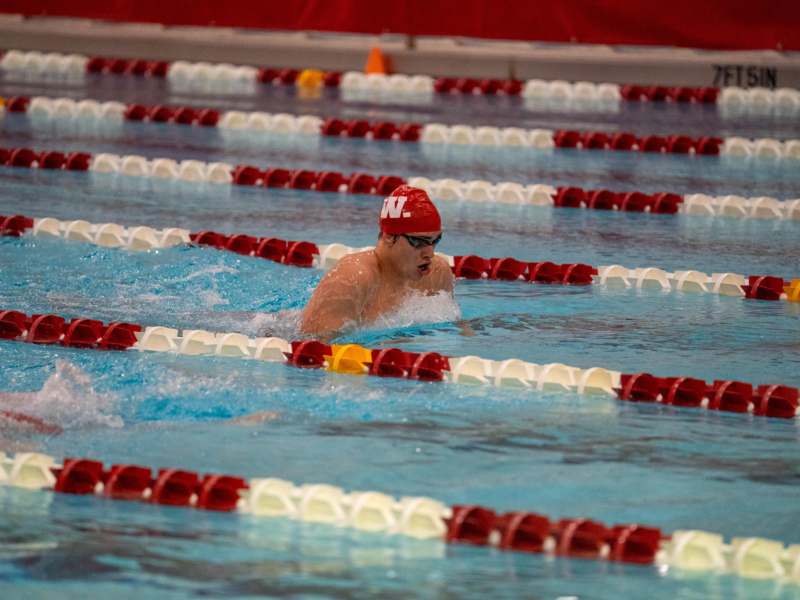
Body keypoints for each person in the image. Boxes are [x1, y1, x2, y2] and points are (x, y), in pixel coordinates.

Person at [300, 185, 454, 340]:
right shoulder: (352, 278)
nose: (430, 253)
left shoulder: (437, 274)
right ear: (389, 236)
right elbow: (315, 346)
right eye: (418, 242)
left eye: (435, 240)